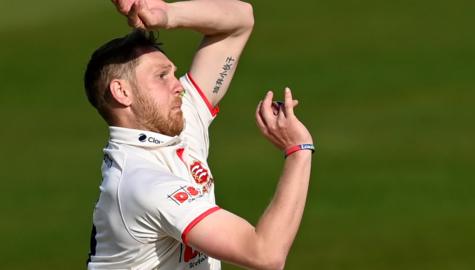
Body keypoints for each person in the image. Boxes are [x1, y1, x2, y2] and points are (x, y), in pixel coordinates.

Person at [84, 0, 314, 269]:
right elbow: (265, 253)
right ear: (122, 92)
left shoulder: (178, 122)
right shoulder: (141, 184)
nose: (178, 87)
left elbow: (240, 21)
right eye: (161, 76)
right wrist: (298, 150)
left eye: (174, 74)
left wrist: (167, 14)